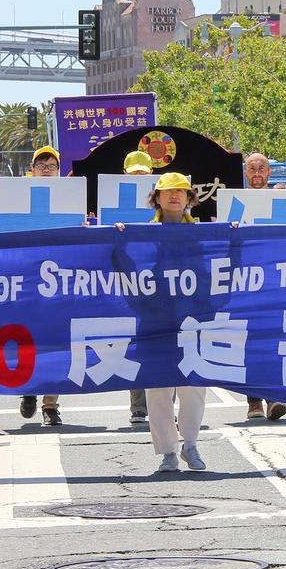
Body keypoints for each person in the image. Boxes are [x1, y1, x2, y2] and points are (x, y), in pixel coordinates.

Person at [116, 172, 209, 472]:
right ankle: (168, 451)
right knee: (157, 388)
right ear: (156, 198)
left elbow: (223, 266)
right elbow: (124, 263)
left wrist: (232, 237)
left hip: (192, 320)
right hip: (154, 321)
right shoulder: (142, 235)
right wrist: (117, 238)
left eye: (180, 191)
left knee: (193, 385)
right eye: (167, 191)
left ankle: (191, 445)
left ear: (190, 198)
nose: (174, 196)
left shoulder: (204, 234)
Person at [240, 151, 286, 421]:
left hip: (276, 280)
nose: (257, 173)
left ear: (269, 173)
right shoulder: (234, 203)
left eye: (262, 168)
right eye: (252, 168)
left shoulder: (283, 202)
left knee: (275, 339)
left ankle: (274, 397)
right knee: (249, 342)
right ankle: (253, 401)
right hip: (244, 281)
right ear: (245, 173)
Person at [18, 146, 65, 427]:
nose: (46, 169)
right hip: (24, 283)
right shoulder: (16, 198)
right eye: (42, 164)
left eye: (52, 165)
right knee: (28, 343)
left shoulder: (71, 200)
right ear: (32, 169)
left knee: (57, 344)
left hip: (59, 282)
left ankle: (51, 405)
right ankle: (28, 388)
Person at [121, 148, 154, 423]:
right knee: (139, 344)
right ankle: (139, 407)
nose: (139, 177)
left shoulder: (166, 199)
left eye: (144, 173)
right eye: (135, 174)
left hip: (165, 284)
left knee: (169, 343)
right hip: (132, 284)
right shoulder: (116, 203)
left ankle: (165, 405)